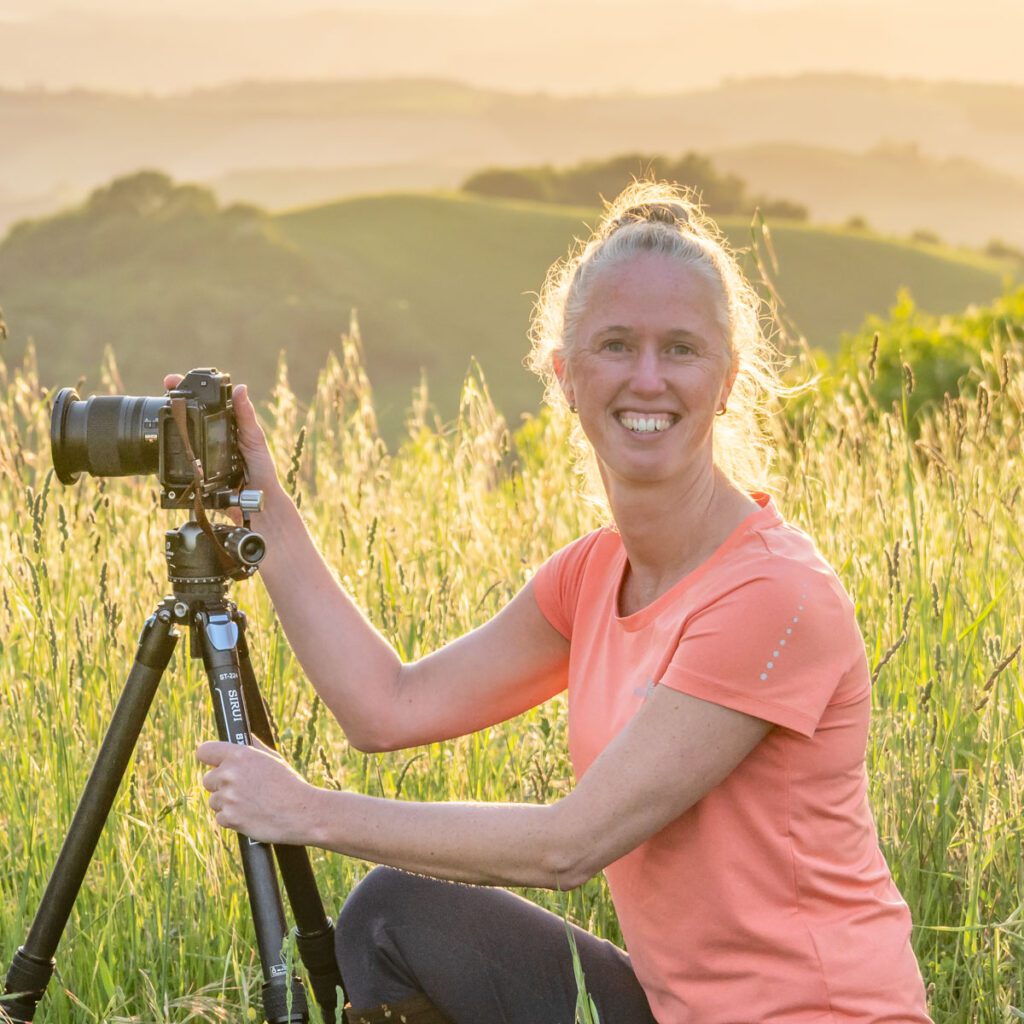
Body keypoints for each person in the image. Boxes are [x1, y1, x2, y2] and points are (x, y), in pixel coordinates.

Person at [190, 181, 934, 1023]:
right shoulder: (592, 577)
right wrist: (265, 509)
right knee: (393, 916)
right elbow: (385, 706)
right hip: (676, 1011)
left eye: (680, 349)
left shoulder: (772, 594)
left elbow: (568, 846)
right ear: (565, 376)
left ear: (726, 380)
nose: (647, 378)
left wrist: (306, 811)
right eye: (615, 345)